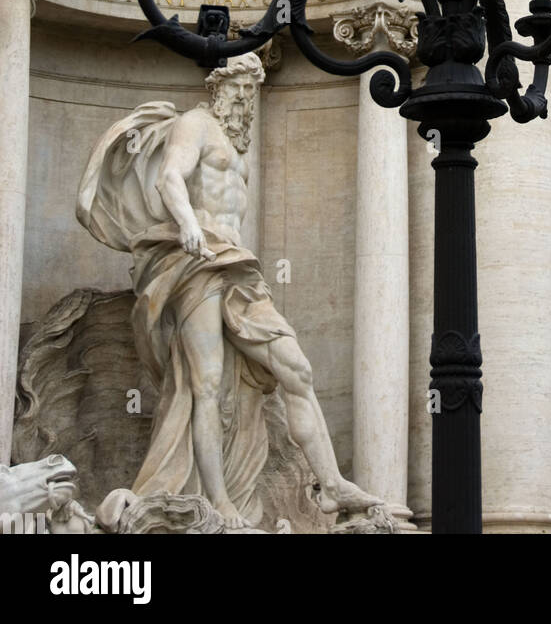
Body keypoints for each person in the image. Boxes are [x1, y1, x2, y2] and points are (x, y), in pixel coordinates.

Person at [77, 52, 378, 528]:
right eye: (237, 88)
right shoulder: (195, 123)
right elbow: (169, 177)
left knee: (296, 368)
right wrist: (189, 223)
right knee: (207, 385)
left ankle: (332, 484)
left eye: (250, 91)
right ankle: (219, 502)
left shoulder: (239, 142)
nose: (244, 98)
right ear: (217, 89)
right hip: (196, 262)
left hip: (238, 266)